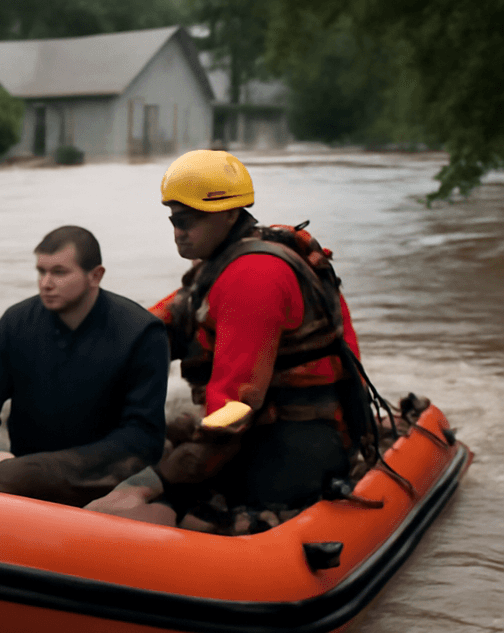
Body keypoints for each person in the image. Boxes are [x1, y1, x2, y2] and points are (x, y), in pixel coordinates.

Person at [86, 149, 367, 531]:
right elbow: (162, 324)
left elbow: (235, 408)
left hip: (296, 440)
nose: (178, 231)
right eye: (174, 218)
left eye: (189, 219)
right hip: (271, 424)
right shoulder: (224, 261)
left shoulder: (254, 276)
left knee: (192, 518)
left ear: (231, 214)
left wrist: (148, 484)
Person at [0, 225, 170, 507]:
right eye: (41, 271)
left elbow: (142, 433)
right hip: (22, 462)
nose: (45, 283)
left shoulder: (141, 331)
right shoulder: (17, 322)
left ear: (95, 275)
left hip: (107, 470)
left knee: (8, 479)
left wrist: (39, 470)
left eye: (59, 272)